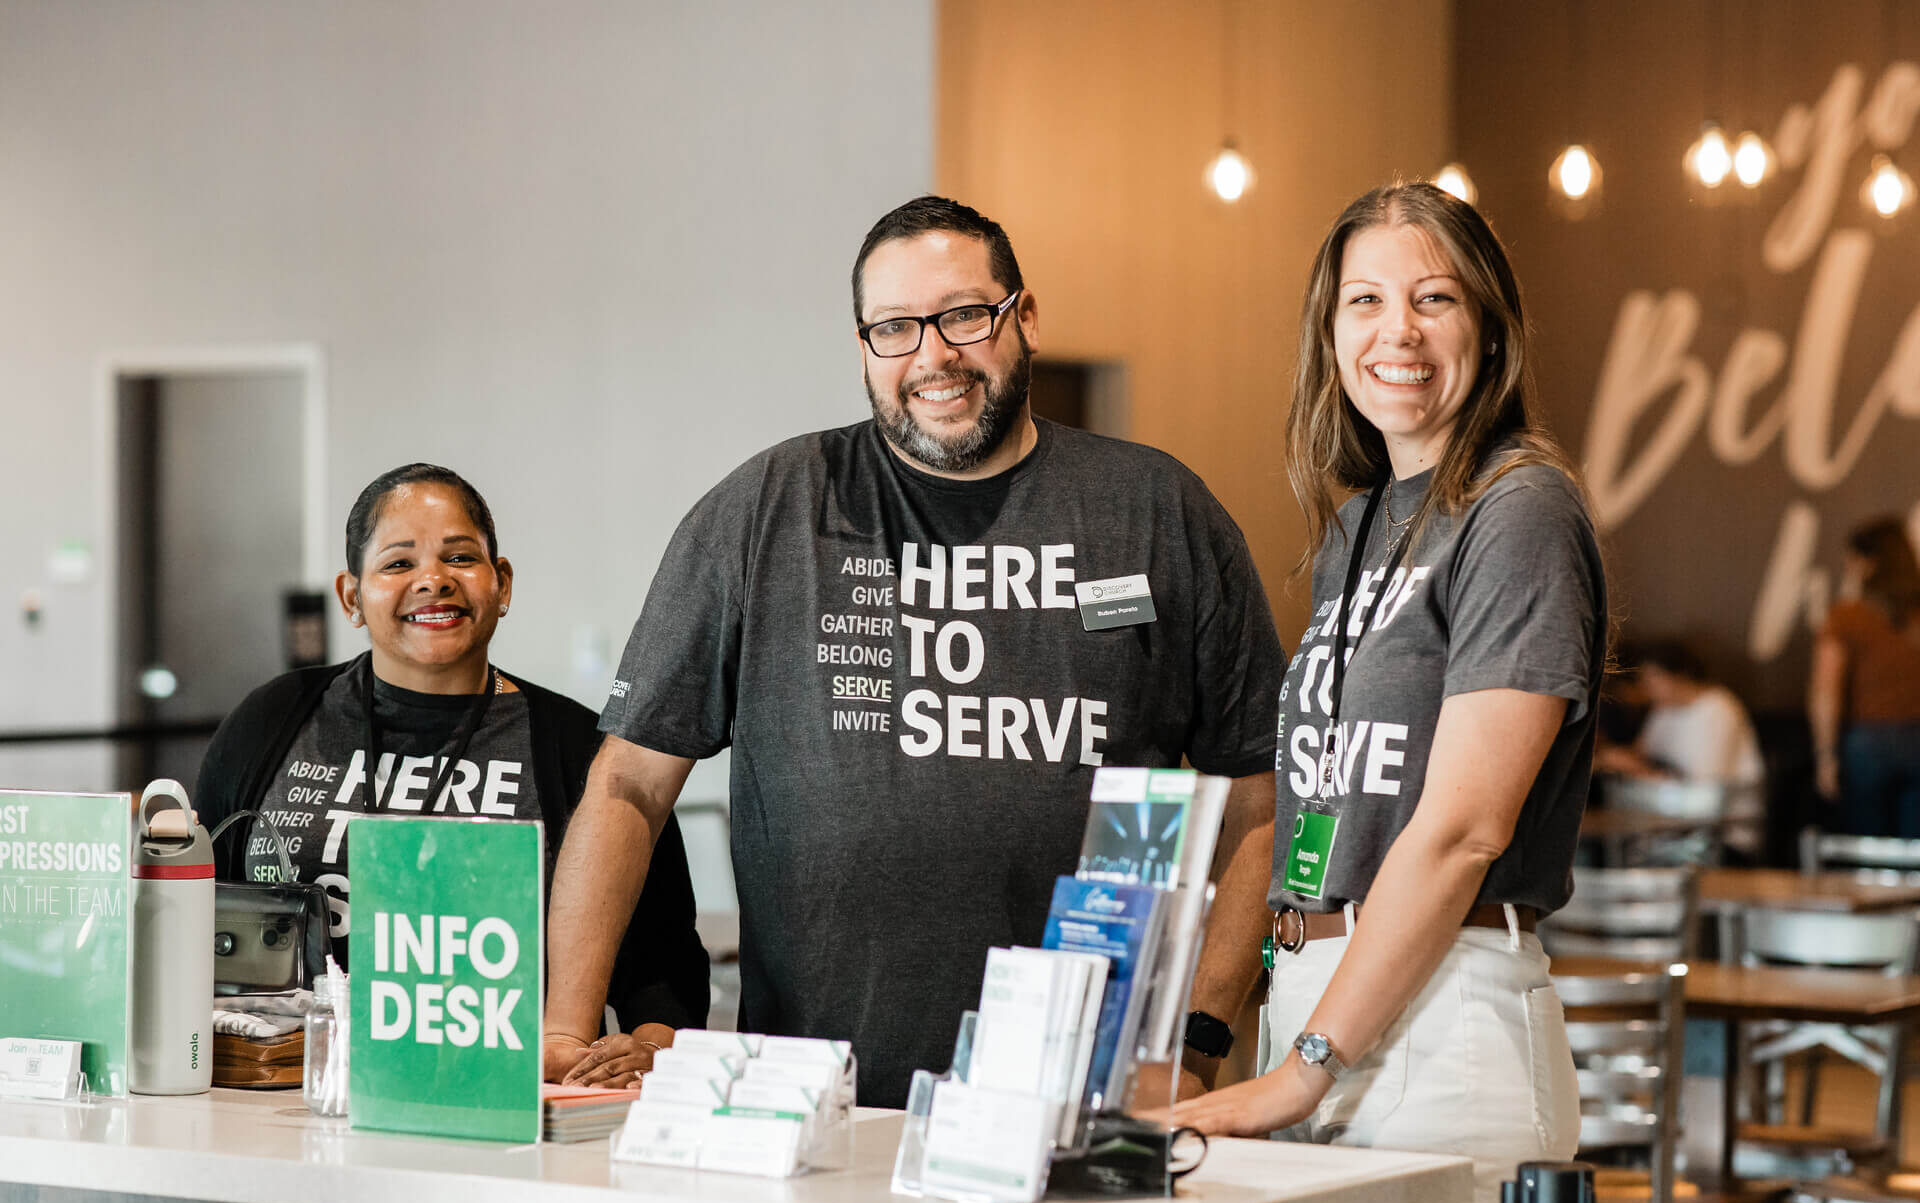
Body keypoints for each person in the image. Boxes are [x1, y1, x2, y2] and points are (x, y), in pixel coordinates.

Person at [544, 196, 1285, 1107]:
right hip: (810, 1103)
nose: (933, 355)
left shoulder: (1157, 512)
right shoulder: (766, 512)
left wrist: (1200, 1039)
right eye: (894, 327)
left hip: (1082, 1104)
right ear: (863, 347)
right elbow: (628, 785)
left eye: (965, 315)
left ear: (1026, 318)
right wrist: (564, 1030)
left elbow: (1261, 801)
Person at [1165, 182, 1603, 1203]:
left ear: (1489, 327)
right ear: (1330, 333)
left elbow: (1462, 827)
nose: (1395, 331)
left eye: (1433, 298)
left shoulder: (1519, 509)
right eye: (1363, 300)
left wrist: (1310, 1063)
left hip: (1443, 1022)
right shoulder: (1360, 525)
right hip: (1322, 1000)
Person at [197, 463, 709, 1077]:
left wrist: (651, 1052)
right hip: (284, 1090)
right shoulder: (272, 720)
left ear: (503, 584)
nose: (433, 581)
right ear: (352, 596)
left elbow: (664, 971)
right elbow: (201, 917)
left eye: (460, 558)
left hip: (507, 1103)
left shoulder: (582, 748)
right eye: (398, 564)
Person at [1594, 637, 1765, 854]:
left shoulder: (1719, 709)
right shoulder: (1664, 712)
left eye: (1653, 679)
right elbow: (1642, 755)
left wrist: (1638, 770)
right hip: (1666, 831)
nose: (1647, 688)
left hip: (1722, 834)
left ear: (1679, 675)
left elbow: (1706, 793)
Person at [1810, 517, 1920, 837]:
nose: (1847, 568)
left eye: (1852, 559)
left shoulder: (1848, 616)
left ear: (1869, 563)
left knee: (1866, 853)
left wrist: (1826, 756)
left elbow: (1825, 691)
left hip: (1869, 742)